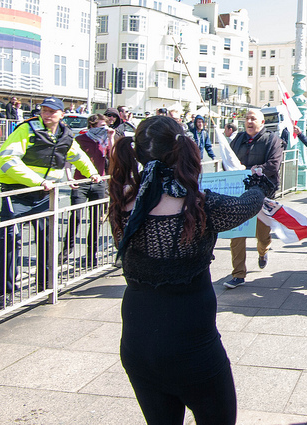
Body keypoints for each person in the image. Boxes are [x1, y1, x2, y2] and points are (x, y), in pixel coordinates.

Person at [108, 115, 273, 425]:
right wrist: (258, 185)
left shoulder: (123, 201)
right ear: (182, 148)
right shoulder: (198, 205)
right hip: (192, 352)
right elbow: (247, 205)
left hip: (137, 345)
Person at [0, 97, 100, 304]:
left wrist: (92, 173)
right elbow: (6, 159)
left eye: (52, 111)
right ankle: (5, 293)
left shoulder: (65, 135)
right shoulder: (26, 130)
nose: (47, 114)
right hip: (17, 192)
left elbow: (78, 156)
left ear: (62, 114)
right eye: (44, 110)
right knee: (9, 241)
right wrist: (38, 181)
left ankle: (46, 285)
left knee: (47, 240)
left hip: (44, 195)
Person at [223, 109, 282, 288]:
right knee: (237, 234)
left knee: (262, 234)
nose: (249, 121)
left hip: (261, 194)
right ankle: (238, 274)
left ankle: (263, 250)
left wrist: (251, 169)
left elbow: (273, 165)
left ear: (262, 122)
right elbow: (229, 161)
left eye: (253, 118)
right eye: (247, 118)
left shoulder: (272, 140)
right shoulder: (238, 139)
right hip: (239, 194)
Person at [59, 114, 115, 267]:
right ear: (91, 126)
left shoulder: (104, 141)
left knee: (96, 220)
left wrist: (111, 137)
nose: (104, 129)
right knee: (75, 217)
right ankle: (65, 251)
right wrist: (69, 178)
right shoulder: (80, 139)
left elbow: (113, 156)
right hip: (81, 182)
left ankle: (92, 255)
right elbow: (69, 159)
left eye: (105, 126)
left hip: (99, 182)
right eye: (100, 126)